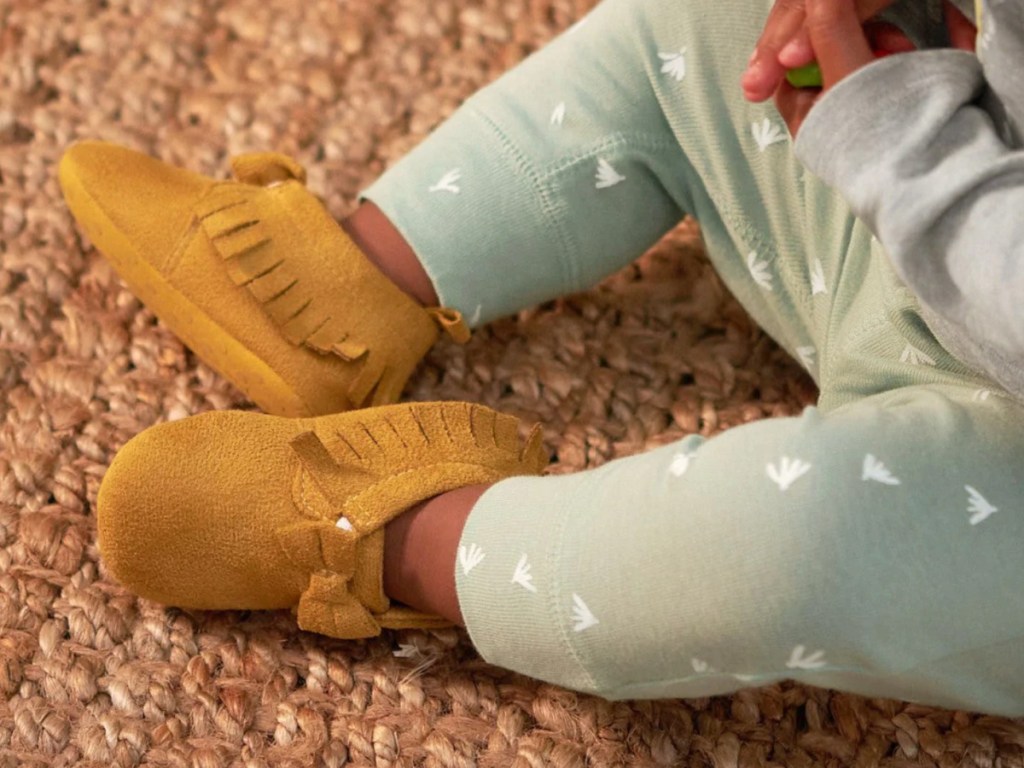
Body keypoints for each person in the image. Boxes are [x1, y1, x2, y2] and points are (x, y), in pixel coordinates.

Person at [59, 0, 1024, 716]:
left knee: (794, 544)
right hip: (946, 161)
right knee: (696, 20)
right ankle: (342, 298)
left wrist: (902, 151)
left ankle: (410, 536)